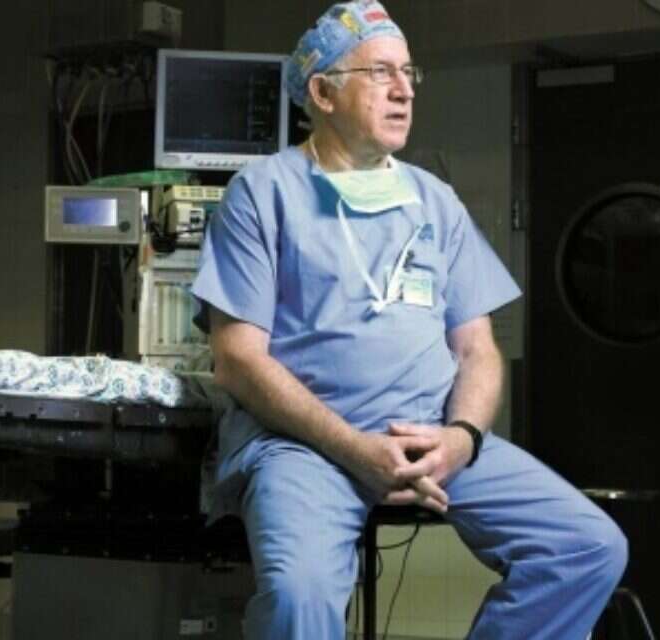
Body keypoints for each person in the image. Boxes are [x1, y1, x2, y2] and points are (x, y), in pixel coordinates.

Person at [191, 2, 627, 638]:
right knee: (297, 596)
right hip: (306, 447)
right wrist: (354, 448)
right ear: (323, 93)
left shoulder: (434, 201)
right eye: (380, 72)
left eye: (409, 73)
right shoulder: (263, 194)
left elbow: (477, 350)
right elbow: (237, 359)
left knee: (587, 547)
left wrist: (462, 438)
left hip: (433, 442)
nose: (404, 90)